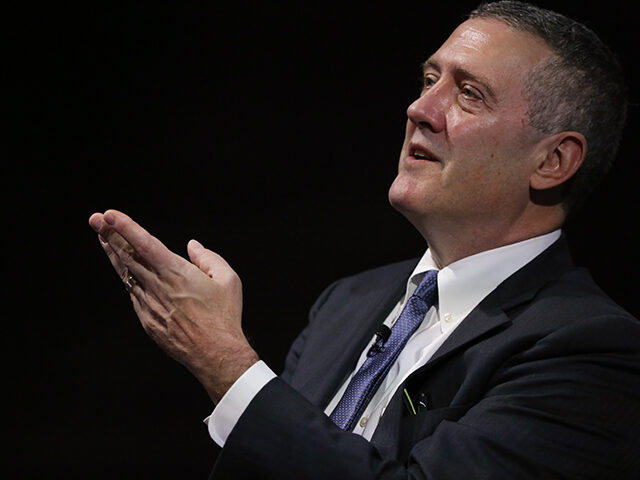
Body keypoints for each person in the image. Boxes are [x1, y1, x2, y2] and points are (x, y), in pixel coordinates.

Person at [89, 1, 640, 478]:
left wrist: (224, 361)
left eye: (469, 94)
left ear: (552, 161)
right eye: (429, 80)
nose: (420, 110)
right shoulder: (347, 302)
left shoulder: (591, 349)